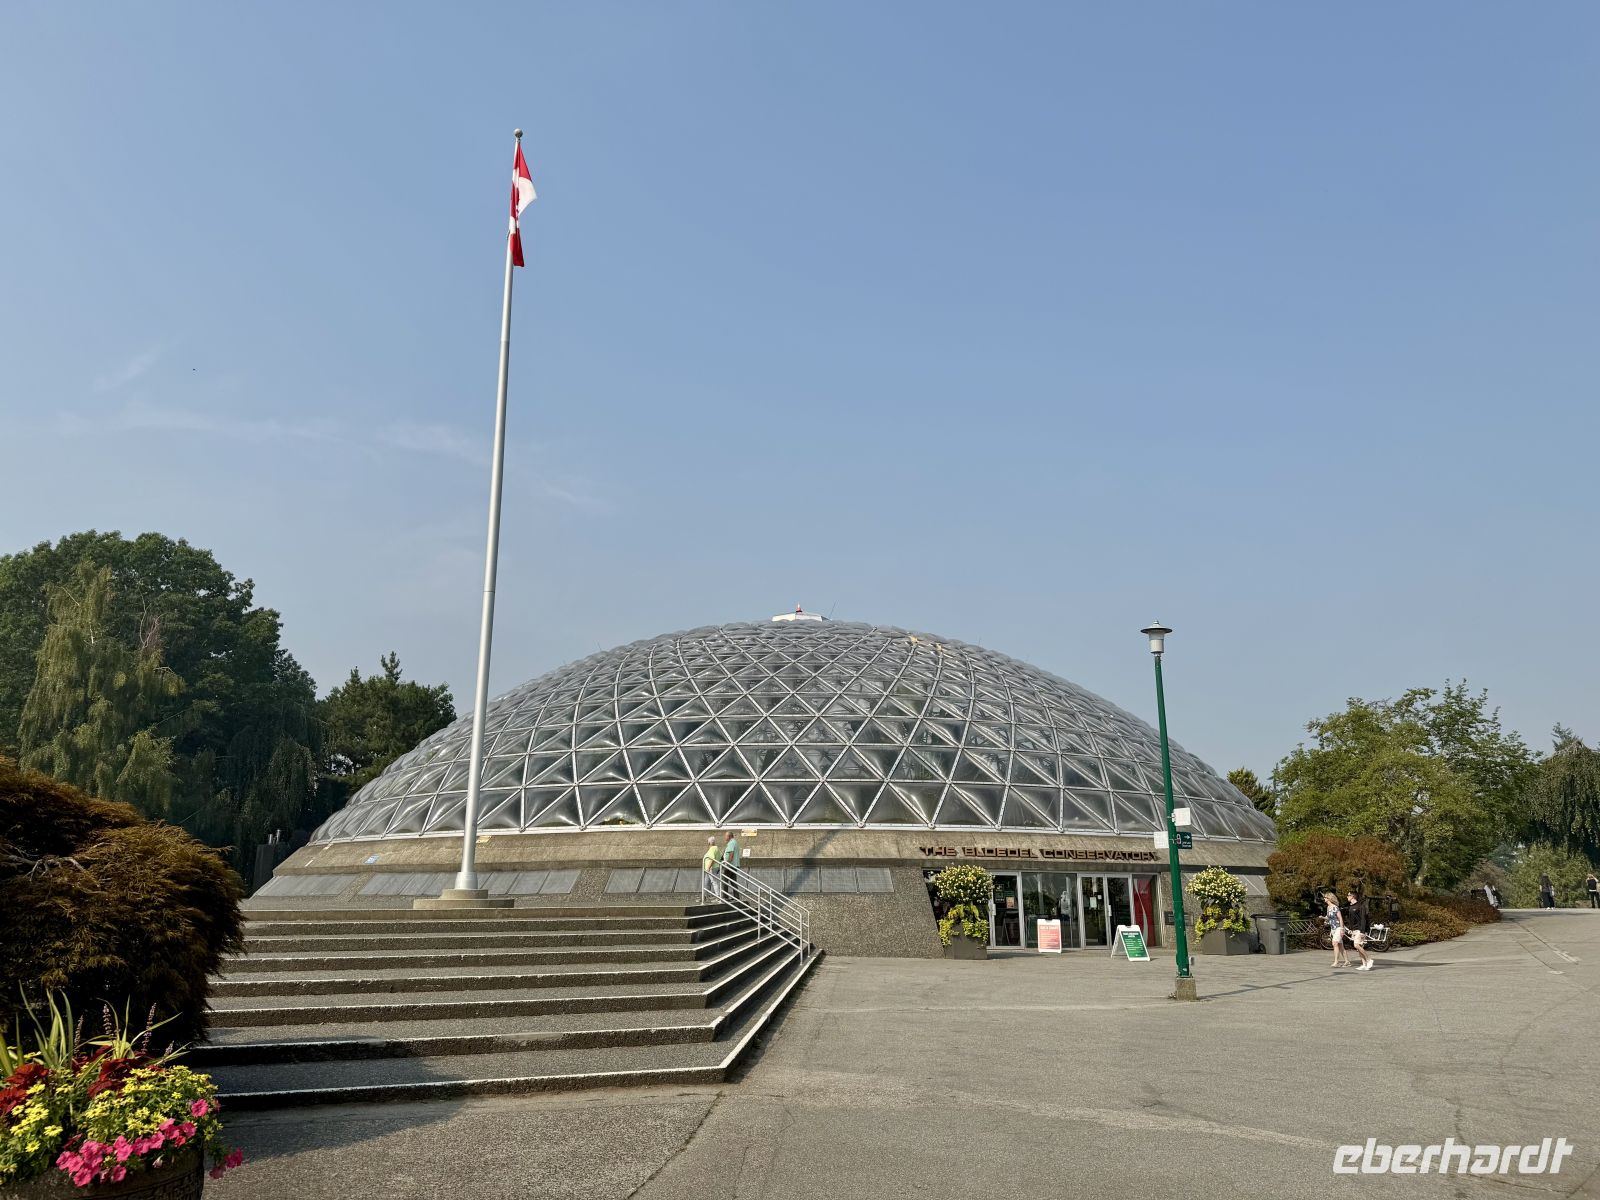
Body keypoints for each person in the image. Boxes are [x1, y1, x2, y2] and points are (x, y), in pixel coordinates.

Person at [1344, 891, 1374, 971]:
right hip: (1354, 929)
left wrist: (1362, 931)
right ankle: (1364, 964)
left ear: (1353, 896)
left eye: (1348, 895)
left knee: (1356, 945)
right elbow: (1351, 919)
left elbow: (1364, 919)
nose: (1347, 897)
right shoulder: (1350, 907)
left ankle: (1369, 959)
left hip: (1360, 929)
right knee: (1359, 947)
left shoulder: (1360, 906)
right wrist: (1350, 929)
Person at [1323, 892, 1348, 968]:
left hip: (1338, 928)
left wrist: (1342, 929)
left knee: (1335, 943)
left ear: (1329, 899)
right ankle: (1347, 961)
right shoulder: (1328, 907)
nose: (1324, 899)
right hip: (1333, 928)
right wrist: (1323, 918)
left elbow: (1340, 918)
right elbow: (1328, 917)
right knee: (1340, 945)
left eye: (1325, 897)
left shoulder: (1335, 907)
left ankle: (1336, 962)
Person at [722, 830, 742, 900]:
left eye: (725, 836)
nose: (724, 837)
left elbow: (731, 854)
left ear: (729, 836)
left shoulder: (731, 843)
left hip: (730, 865)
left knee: (724, 880)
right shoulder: (735, 842)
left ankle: (725, 897)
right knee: (733, 881)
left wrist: (727, 863)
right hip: (734, 865)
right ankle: (736, 897)